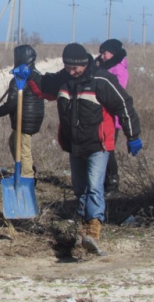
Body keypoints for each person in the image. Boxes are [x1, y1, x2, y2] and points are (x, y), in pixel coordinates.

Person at [26, 43, 142, 255]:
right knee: (80, 189)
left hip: (98, 144)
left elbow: (124, 105)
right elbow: (43, 87)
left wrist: (132, 136)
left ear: (83, 64)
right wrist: (28, 73)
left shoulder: (101, 79)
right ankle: (84, 228)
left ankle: (94, 228)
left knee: (94, 186)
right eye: (68, 67)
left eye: (75, 68)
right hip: (74, 144)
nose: (71, 72)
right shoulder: (64, 79)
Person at [0, 44, 45, 178]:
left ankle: (28, 176)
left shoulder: (19, 78)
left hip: (24, 119)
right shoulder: (36, 75)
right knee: (14, 142)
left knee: (23, 148)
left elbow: (11, 104)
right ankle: (23, 167)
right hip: (35, 117)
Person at [96, 39, 129, 196]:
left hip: (112, 117)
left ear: (113, 53)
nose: (102, 56)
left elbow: (116, 92)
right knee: (101, 148)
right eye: (101, 53)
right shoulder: (106, 67)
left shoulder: (118, 69)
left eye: (105, 53)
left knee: (107, 150)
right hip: (102, 115)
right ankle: (104, 182)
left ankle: (113, 184)